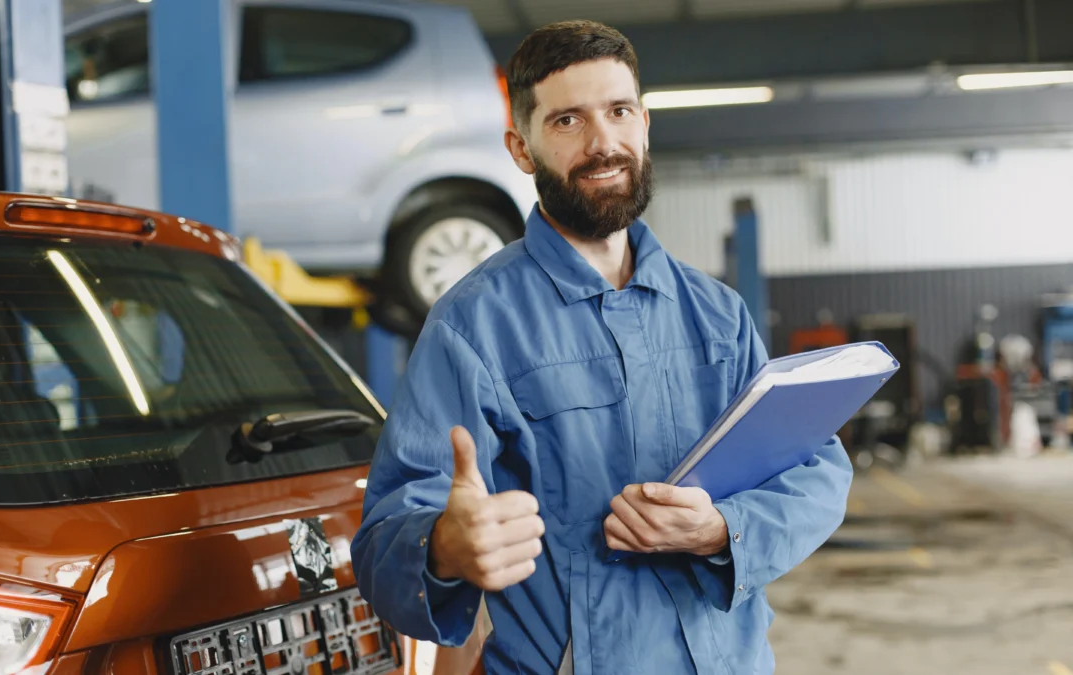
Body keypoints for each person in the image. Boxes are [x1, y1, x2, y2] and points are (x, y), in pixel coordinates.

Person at [349, 19, 853, 675]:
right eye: (567, 121)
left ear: (644, 123)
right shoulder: (472, 326)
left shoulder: (716, 313)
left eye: (618, 112)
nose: (603, 142)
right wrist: (444, 546)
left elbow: (816, 470)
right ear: (521, 148)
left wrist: (722, 528)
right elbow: (386, 535)